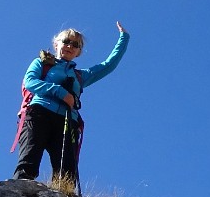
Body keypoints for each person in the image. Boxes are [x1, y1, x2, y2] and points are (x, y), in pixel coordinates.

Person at [13, 24, 129, 186]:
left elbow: (109, 65)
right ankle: (21, 190)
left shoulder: (81, 76)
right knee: (29, 160)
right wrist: (62, 93)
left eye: (76, 45)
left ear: (79, 52)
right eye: (66, 41)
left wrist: (124, 38)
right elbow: (30, 82)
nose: (70, 46)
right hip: (39, 112)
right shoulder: (42, 63)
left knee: (66, 172)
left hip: (67, 121)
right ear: (56, 44)